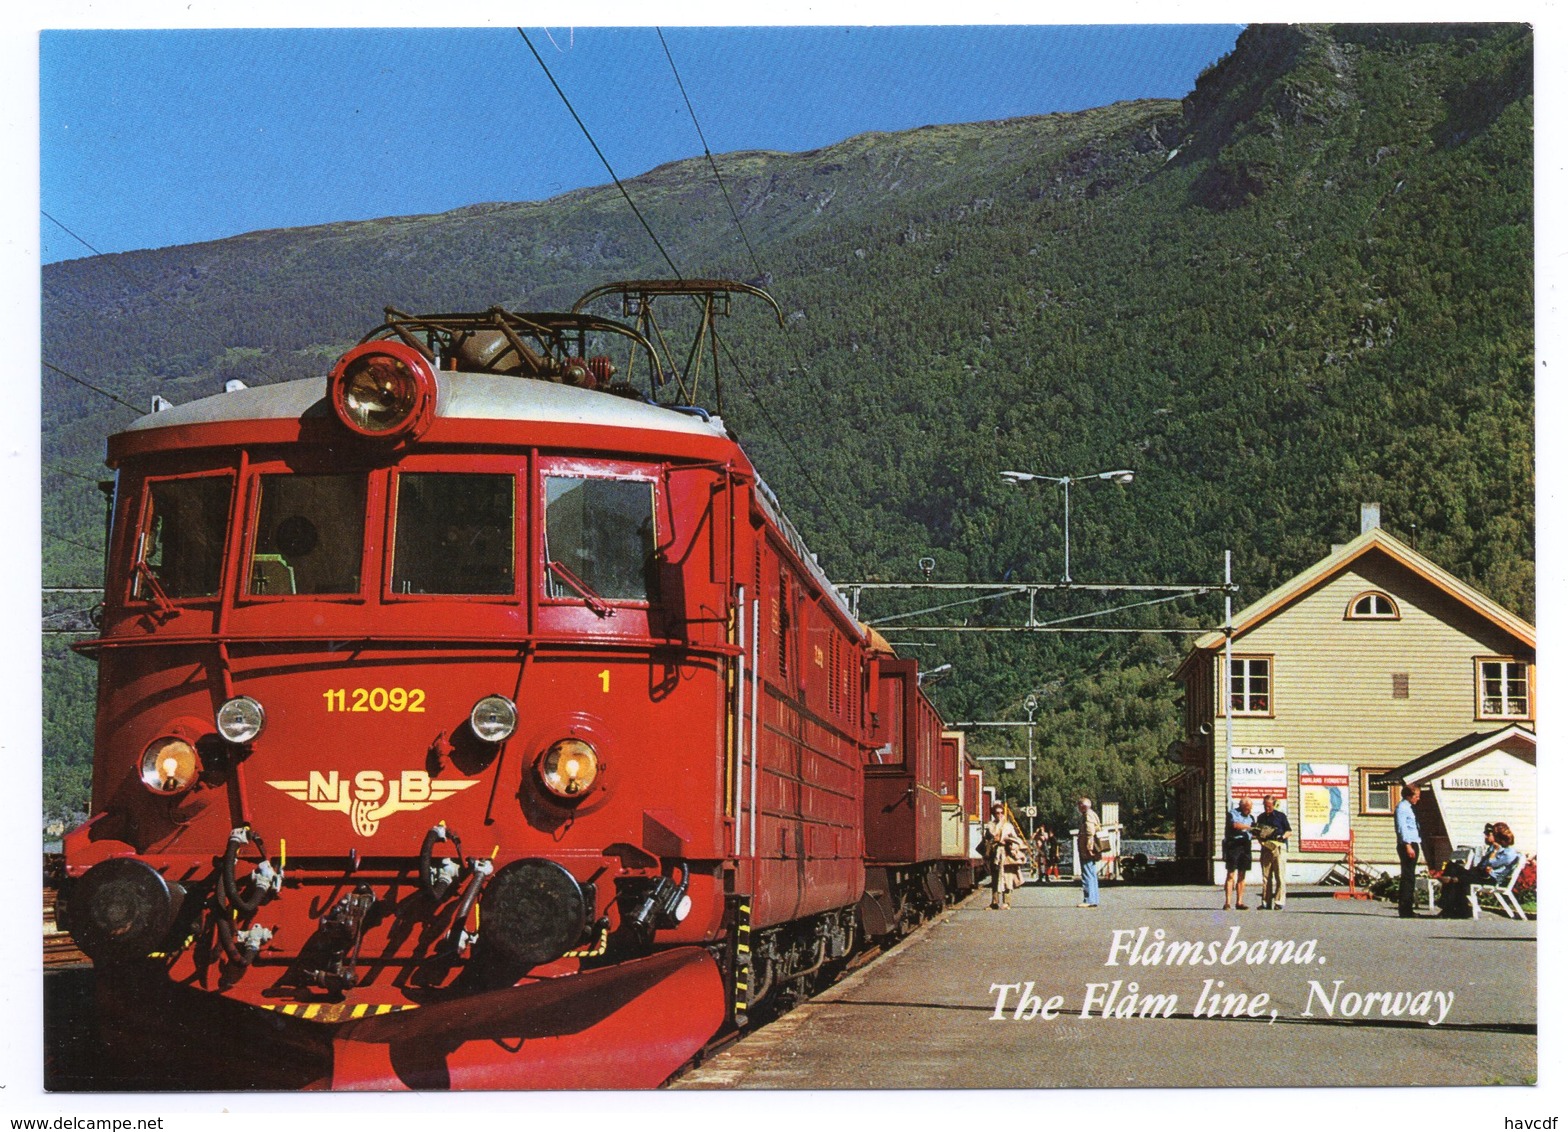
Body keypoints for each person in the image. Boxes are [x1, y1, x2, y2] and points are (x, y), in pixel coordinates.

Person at [1439, 821, 1520, 917]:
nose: (1490, 836)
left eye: (1492, 834)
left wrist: (1494, 851)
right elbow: (1482, 865)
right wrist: (1490, 856)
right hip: (1482, 874)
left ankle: (1450, 906)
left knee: (1458, 878)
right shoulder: (1494, 848)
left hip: (1492, 879)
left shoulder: (1509, 852)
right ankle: (1455, 904)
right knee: (1452, 867)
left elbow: (1491, 863)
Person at [984, 802, 1027, 910]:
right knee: (994, 878)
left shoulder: (1008, 826)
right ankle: (994, 902)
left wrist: (1007, 842)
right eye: (997, 813)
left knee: (1007, 878)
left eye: (1001, 813)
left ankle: (1007, 902)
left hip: (1006, 854)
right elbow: (986, 840)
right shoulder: (990, 826)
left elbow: (1017, 839)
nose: (999, 815)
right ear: (993, 814)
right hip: (995, 855)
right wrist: (992, 841)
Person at [1254, 795, 1291, 910]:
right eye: (1265, 806)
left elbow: (1289, 831)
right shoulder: (1261, 817)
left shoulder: (1280, 816)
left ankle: (1279, 902)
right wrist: (1261, 841)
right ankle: (1266, 902)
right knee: (1266, 876)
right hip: (1266, 848)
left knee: (1279, 875)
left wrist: (1282, 837)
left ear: (1274, 805)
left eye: (1269, 806)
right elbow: (1257, 832)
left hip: (1279, 847)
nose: (1267, 808)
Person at [1394, 782, 1424, 918]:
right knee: (1408, 876)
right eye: (1416, 796)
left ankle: (1407, 907)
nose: (1418, 799)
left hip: (1414, 842)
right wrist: (1407, 845)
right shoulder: (1402, 808)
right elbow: (1402, 828)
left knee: (1410, 875)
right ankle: (1405, 909)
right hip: (1408, 844)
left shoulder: (1410, 808)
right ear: (1408, 796)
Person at [1222, 798, 1254, 910]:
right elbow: (1235, 825)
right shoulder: (1232, 814)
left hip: (1245, 846)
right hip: (1234, 845)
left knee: (1242, 874)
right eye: (1247, 808)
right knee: (1231, 874)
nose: (1249, 810)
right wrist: (1249, 828)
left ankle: (1239, 902)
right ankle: (1227, 902)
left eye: (1250, 808)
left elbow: (1254, 831)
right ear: (1242, 806)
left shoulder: (1251, 818)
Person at [1076, 798, 1102, 908]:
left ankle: (1088, 899)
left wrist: (1089, 847)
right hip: (1091, 848)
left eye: (1079, 805)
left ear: (1082, 806)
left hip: (1086, 849)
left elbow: (1090, 831)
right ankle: (1094, 899)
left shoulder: (1088, 815)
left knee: (1087, 872)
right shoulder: (1093, 814)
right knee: (1091, 873)